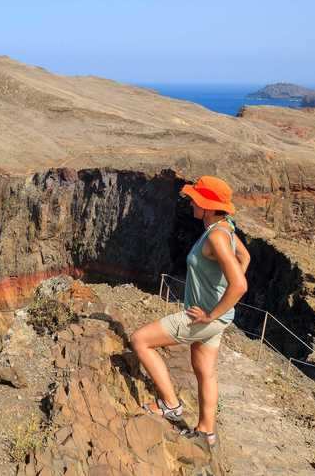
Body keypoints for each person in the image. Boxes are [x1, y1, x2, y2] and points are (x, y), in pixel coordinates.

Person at [130, 175, 251, 447]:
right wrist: (221, 292)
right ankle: (206, 432)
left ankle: (170, 405)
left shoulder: (218, 237)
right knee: (204, 370)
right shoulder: (225, 227)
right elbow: (245, 258)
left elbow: (240, 285)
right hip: (219, 319)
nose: (190, 201)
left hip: (204, 317)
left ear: (207, 206)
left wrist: (211, 312)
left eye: (195, 198)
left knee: (140, 341)